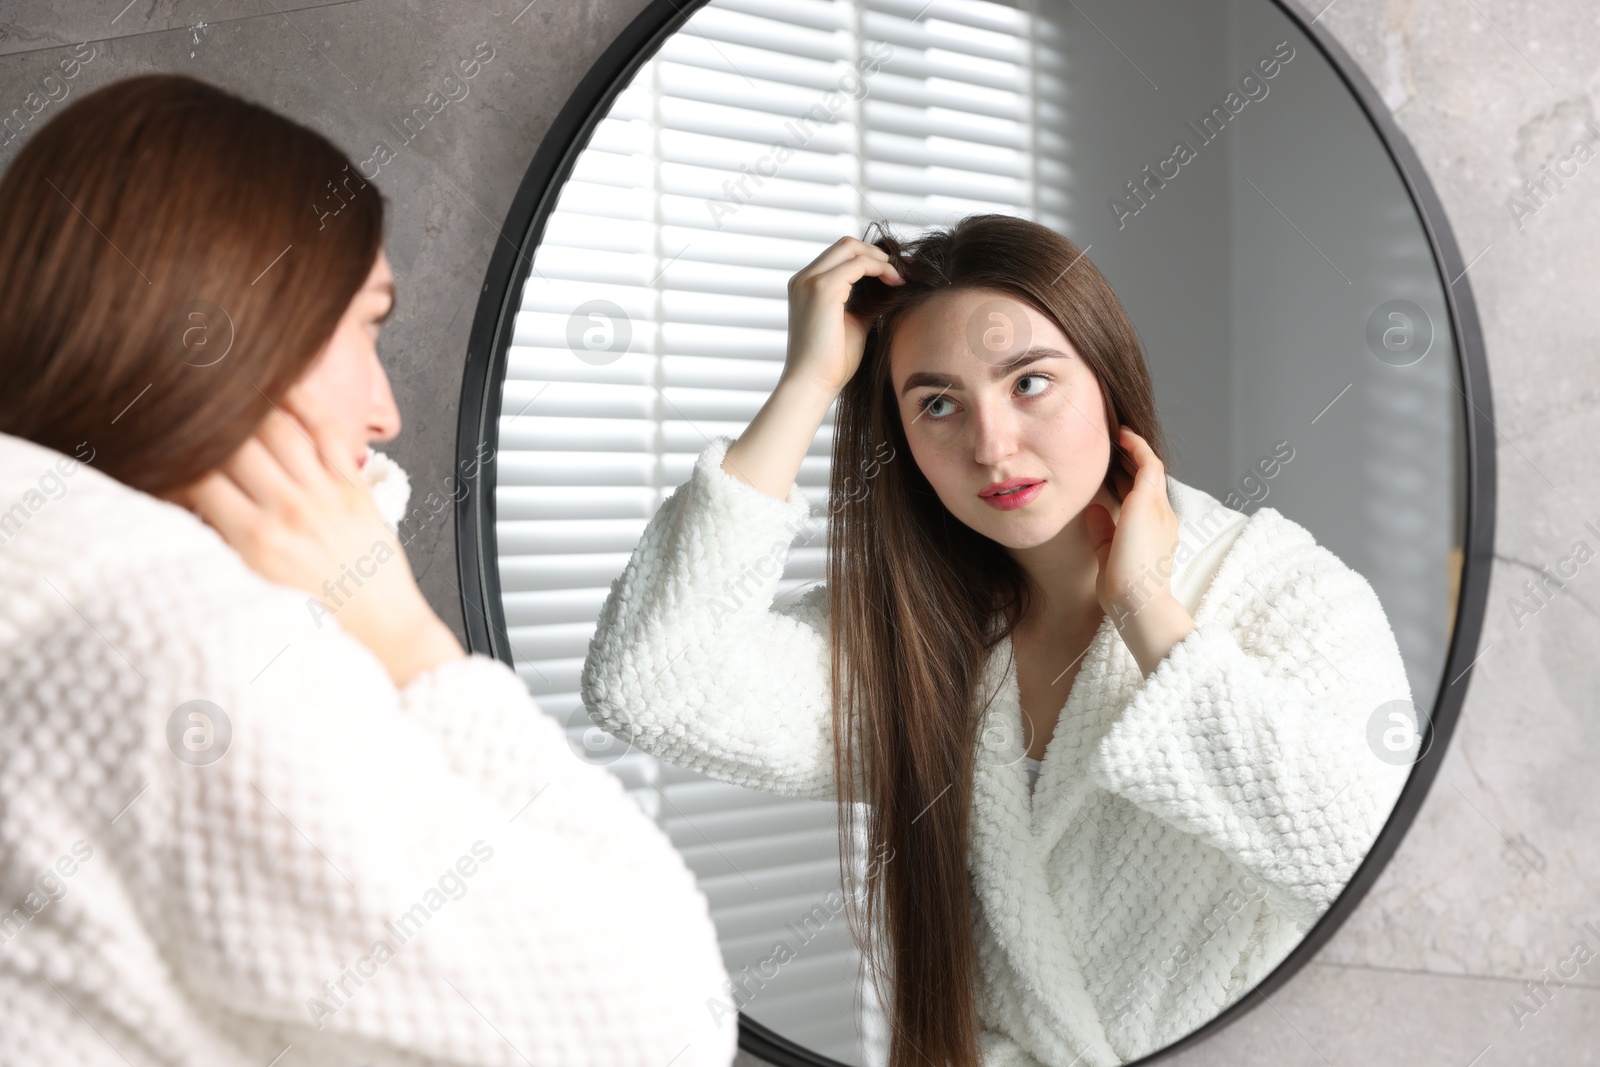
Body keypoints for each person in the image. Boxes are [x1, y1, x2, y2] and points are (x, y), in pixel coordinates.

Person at [0, 73, 736, 1067]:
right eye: (366, 324)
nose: (386, 411)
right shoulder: (172, 640)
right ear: (231, 327)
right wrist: (404, 637)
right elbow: (661, 1026)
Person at [580, 215, 1415, 1067]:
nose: (990, 445)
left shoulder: (1286, 591)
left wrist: (1144, 606)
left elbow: (1375, 867)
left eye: (1030, 383)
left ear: (1106, 379)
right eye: (937, 404)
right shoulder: (920, 641)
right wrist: (806, 385)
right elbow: (653, 682)